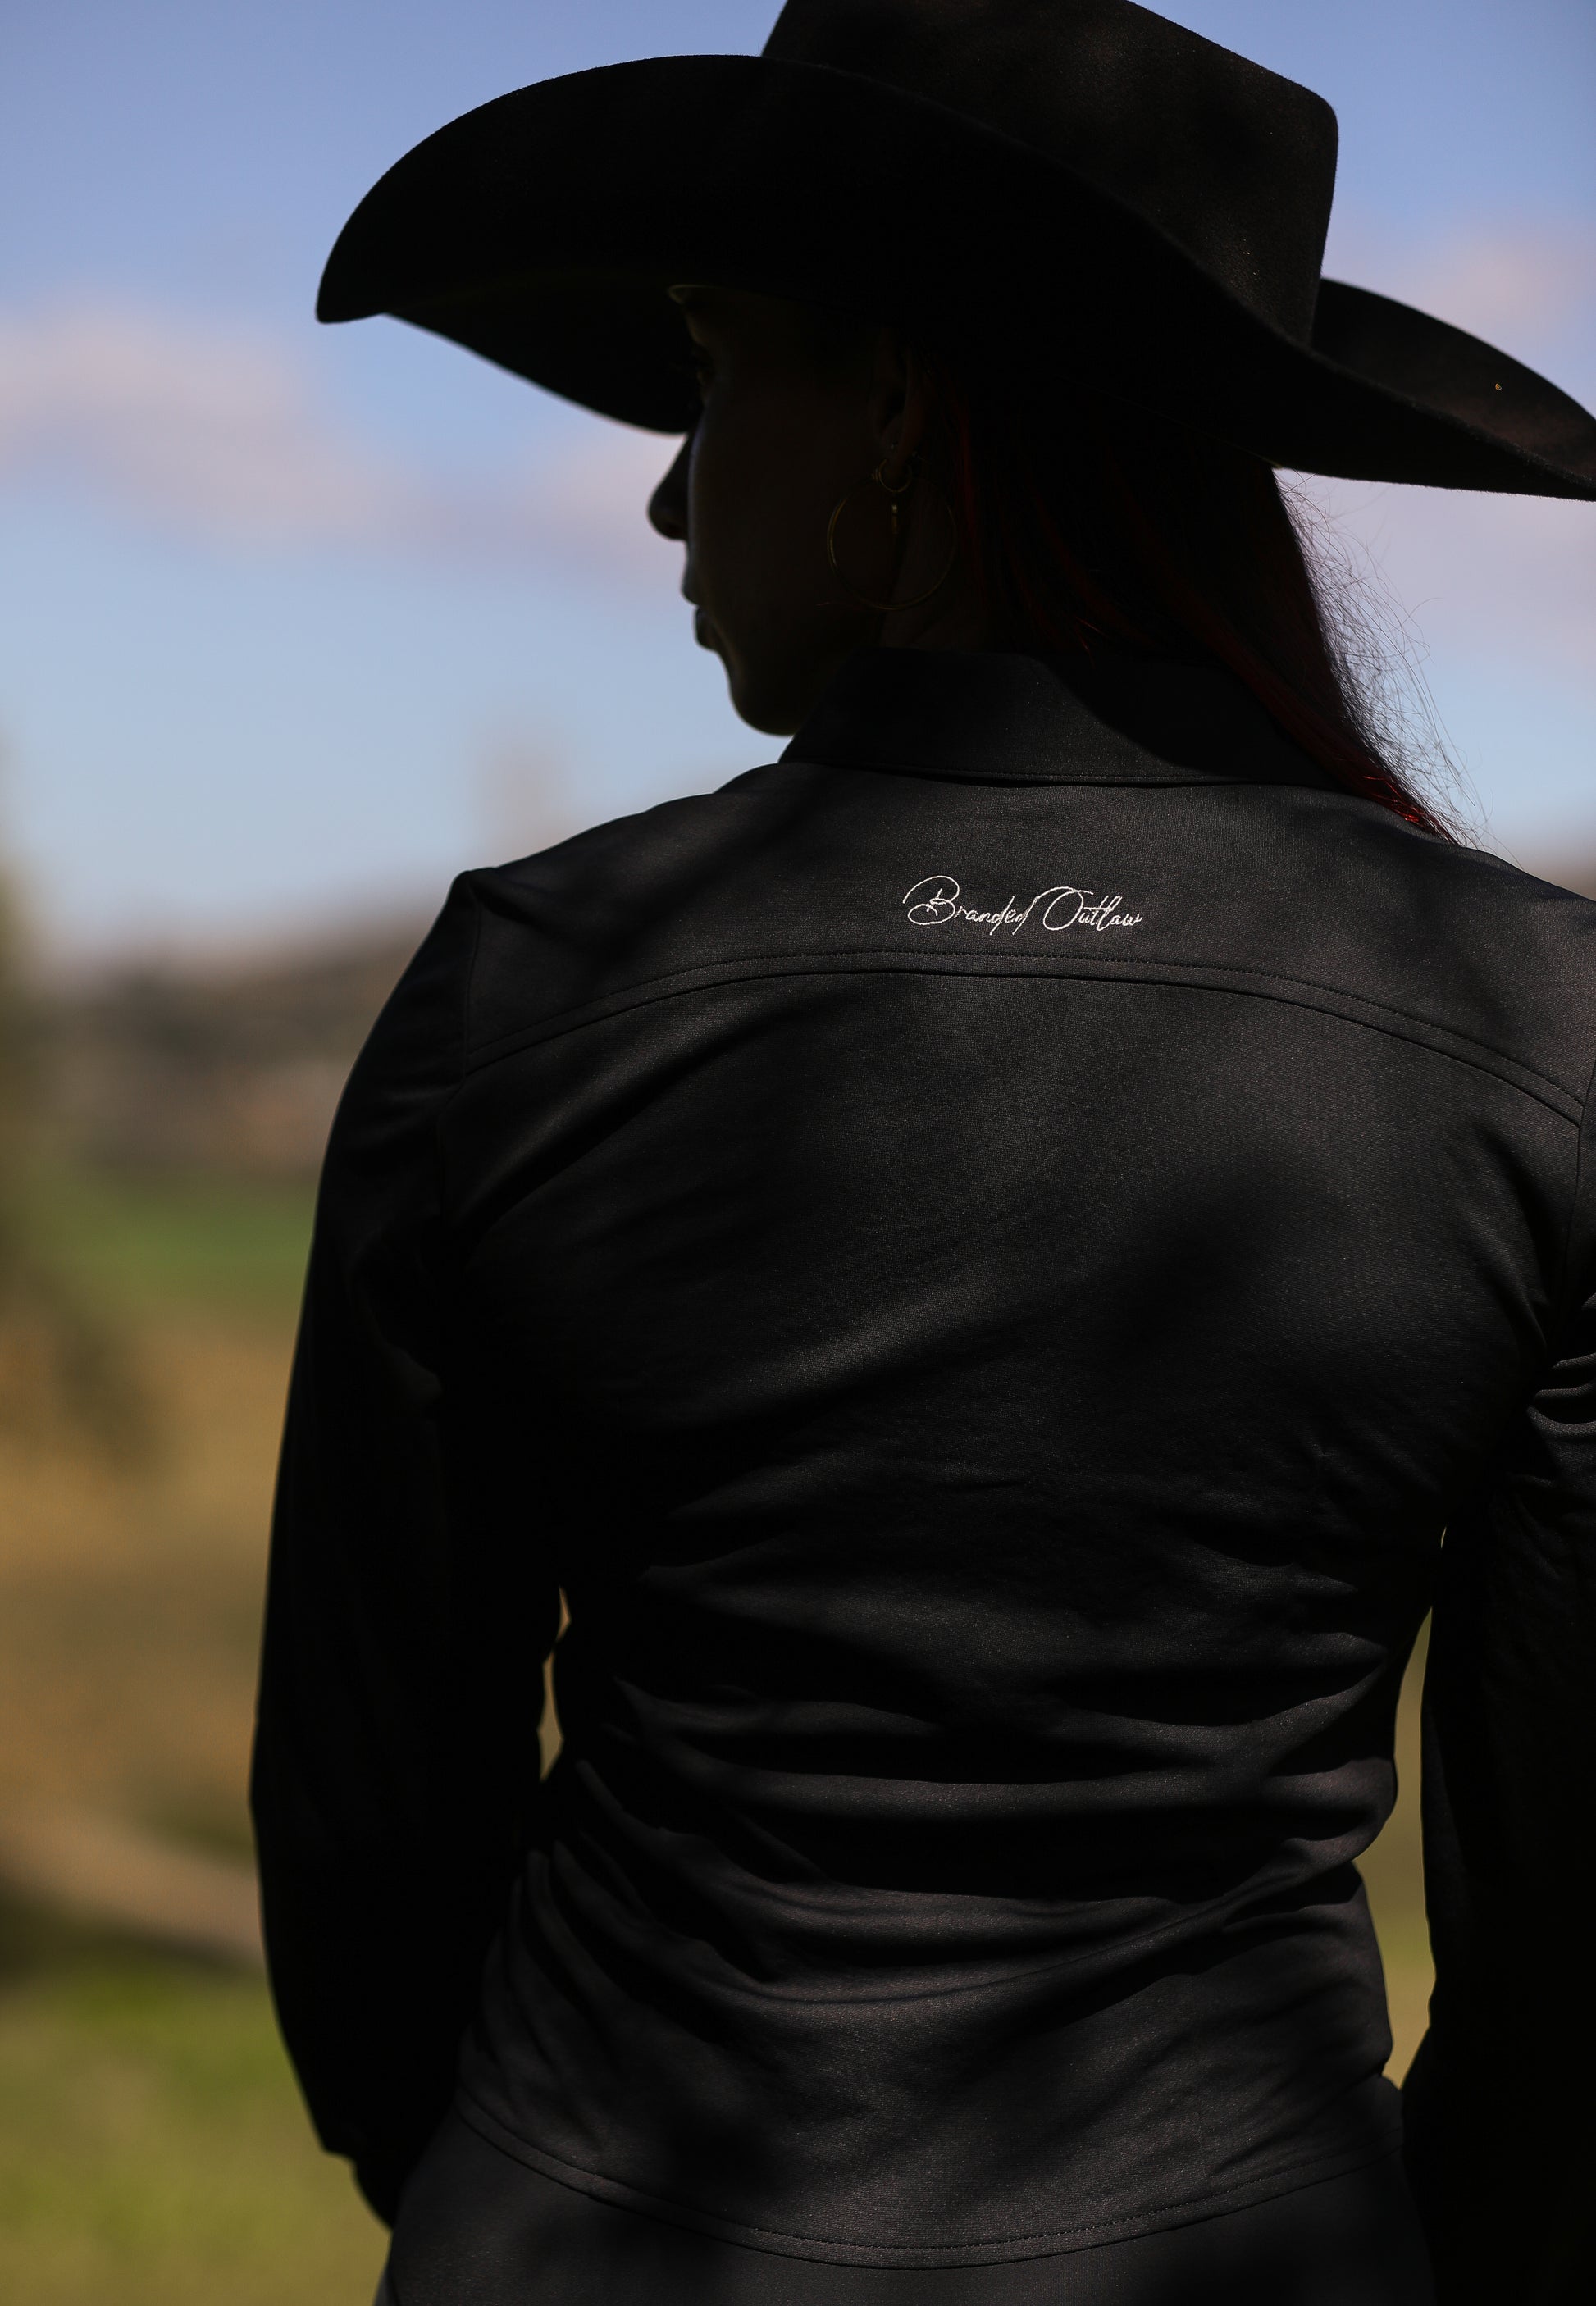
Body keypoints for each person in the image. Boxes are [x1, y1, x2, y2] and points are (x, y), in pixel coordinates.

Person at [251, 6, 1596, 2303]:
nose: (666, 492)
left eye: (705, 370)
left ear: (892, 406)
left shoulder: (536, 988)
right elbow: (1571, 1909)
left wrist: (507, 2198)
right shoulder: (1538, 1037)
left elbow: (373, 1812)